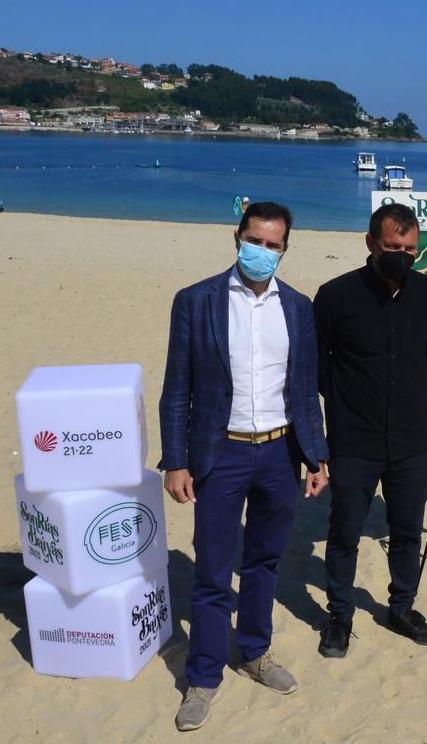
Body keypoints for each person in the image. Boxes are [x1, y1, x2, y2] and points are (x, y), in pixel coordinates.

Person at [158, 201, 329, 731]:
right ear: (237, 238)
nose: (263, 251)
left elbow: (304, 389)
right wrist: (176, 460)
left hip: (280, 452)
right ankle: (204, 676)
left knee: (263, 562)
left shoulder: (298, 307)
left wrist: (316, 454)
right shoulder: (197, 300)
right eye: (255, 240)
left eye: (273, 245)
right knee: (212, 571)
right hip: (221, 453)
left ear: (284, 249)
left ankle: (254, 652)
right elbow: (176, 388)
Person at [314, 203, 427, 657]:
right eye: (393, 247)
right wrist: (352, 403)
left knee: (408, 529)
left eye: (410, 249)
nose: (402, 256)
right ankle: (339, 616)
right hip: (354, 439)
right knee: (345, 531)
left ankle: (402, 607)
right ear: (371, 243)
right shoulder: (335, 295)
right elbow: (319, 368)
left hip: (411, 439)